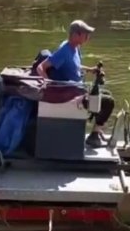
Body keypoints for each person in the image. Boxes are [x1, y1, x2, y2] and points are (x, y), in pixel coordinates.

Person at [35, 20, 115, 148]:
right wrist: (49, 85)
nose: (88, 37)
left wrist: (90, 69)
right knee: (108, 101)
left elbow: (75, 66)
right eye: (85, 34)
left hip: (79, 89)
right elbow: (41, 67)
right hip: (71, 95)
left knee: (106, 94)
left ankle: (96, 132)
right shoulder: (64, 50)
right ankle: (94, 136)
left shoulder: (75, 48)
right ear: (76, 35)